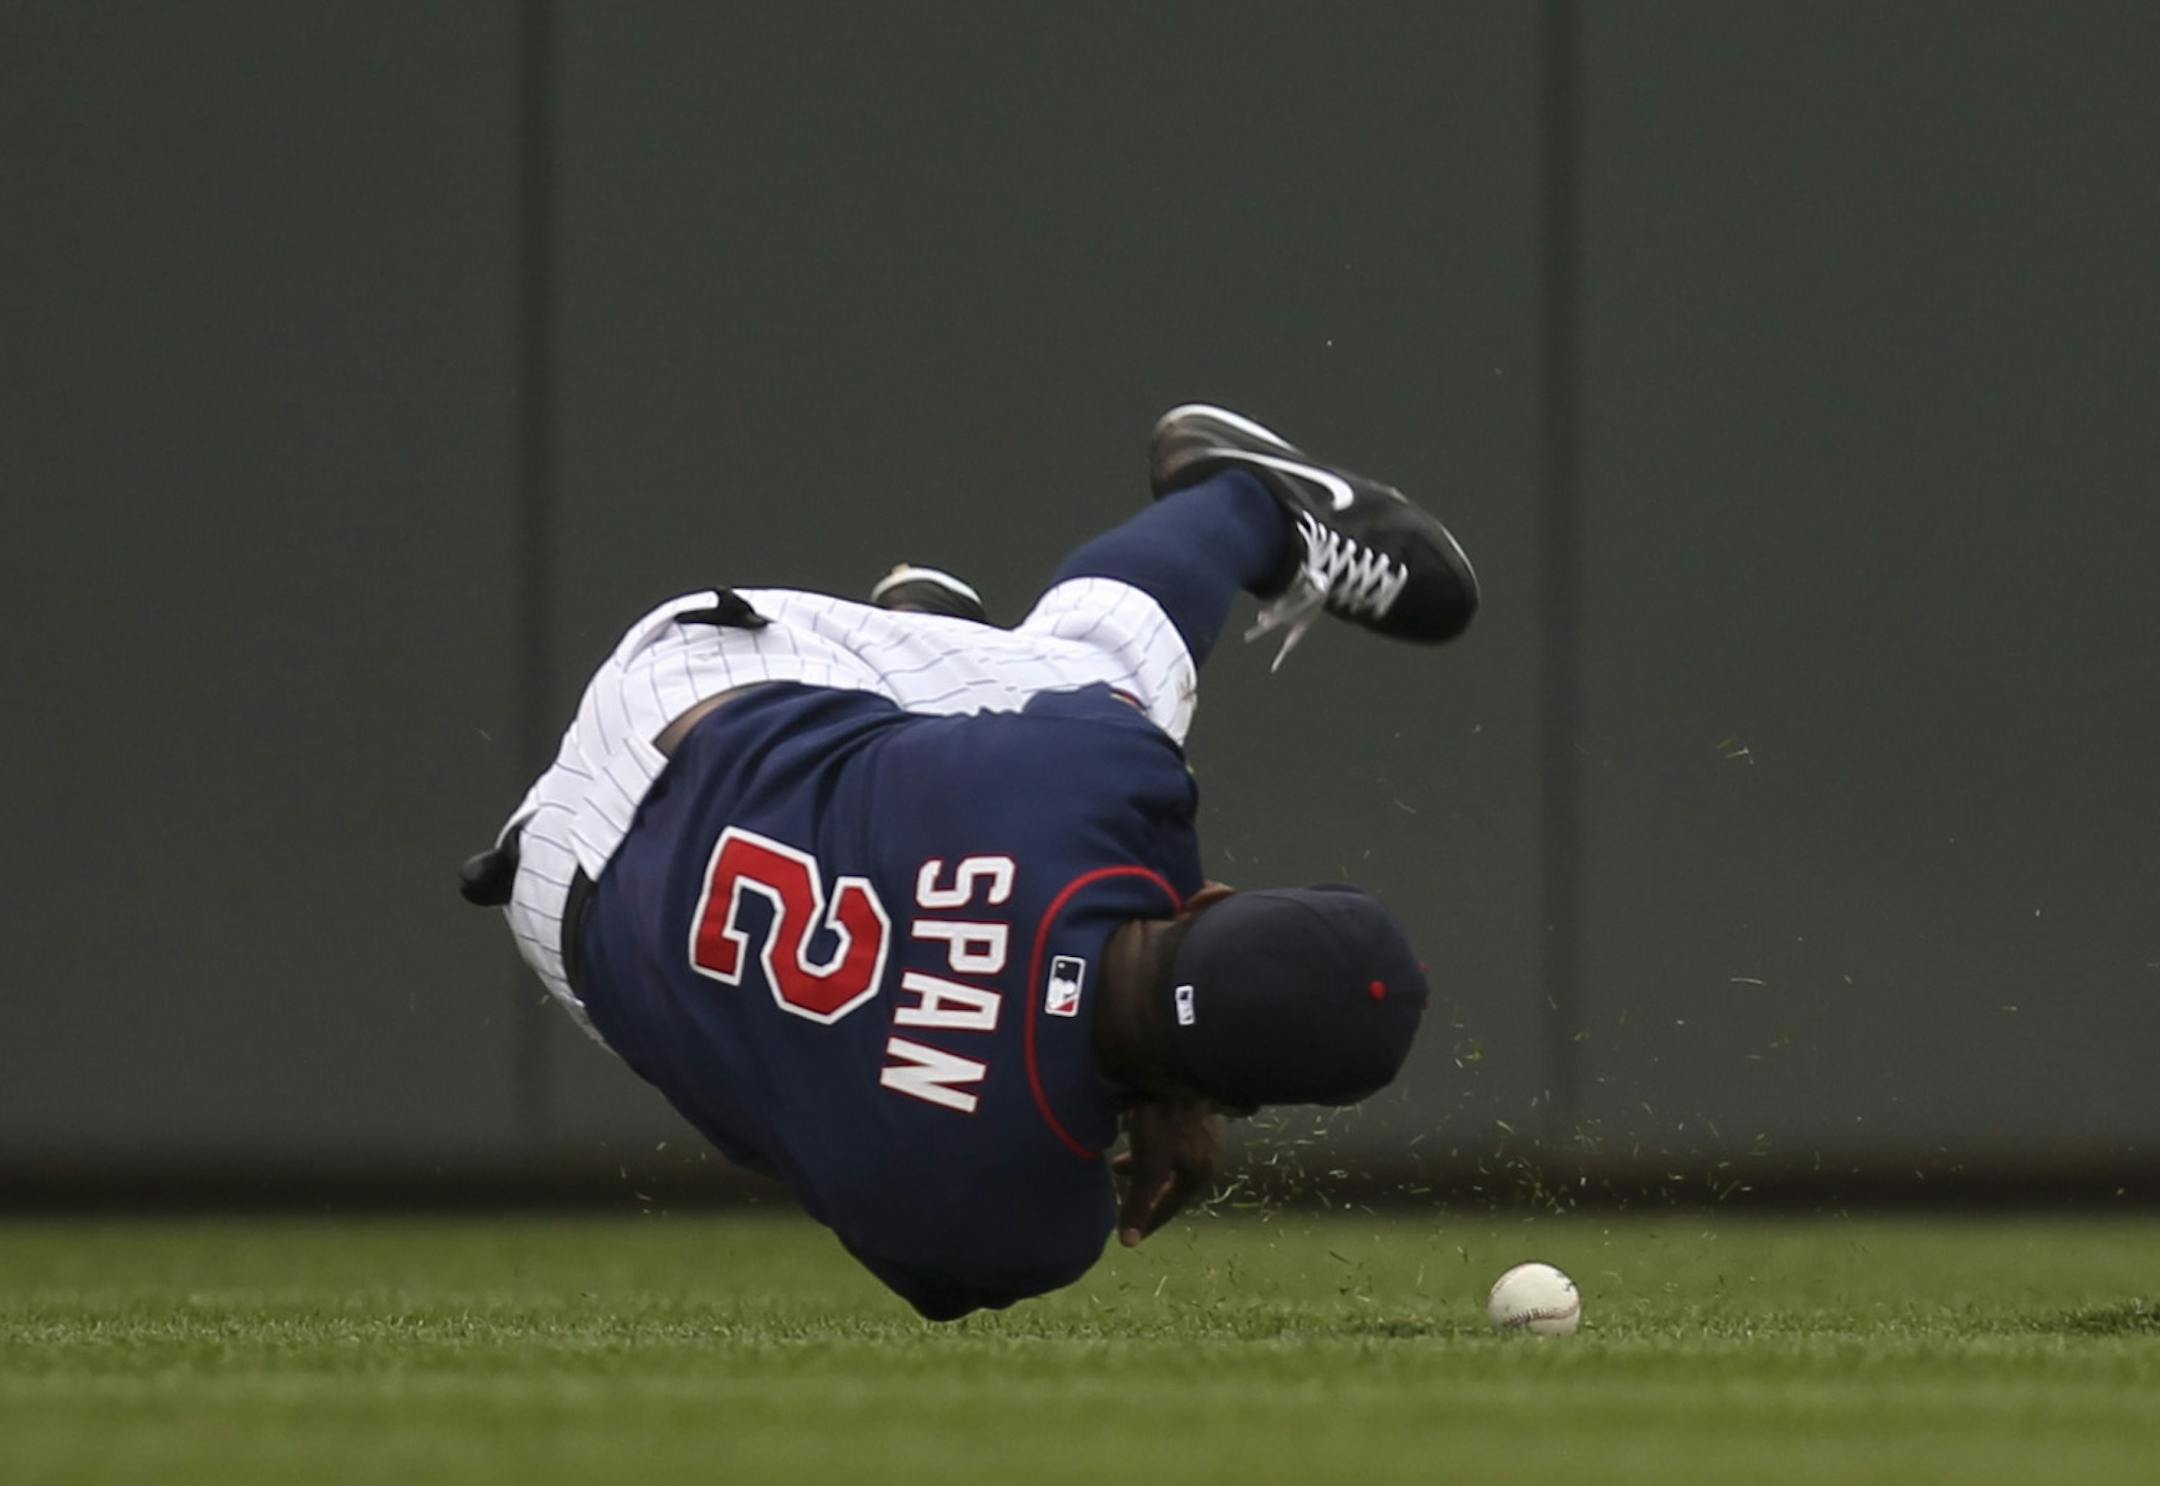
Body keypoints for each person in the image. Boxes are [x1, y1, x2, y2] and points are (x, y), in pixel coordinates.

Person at [460, 404, 1478, 1320]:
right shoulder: (1026, 1226)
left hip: (700, 689)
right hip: (562, 906)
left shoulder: (1097, 783)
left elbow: (1110, 832)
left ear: (1209, 898)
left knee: (1102, 684)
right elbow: (948, 1257)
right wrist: (1154, 1075)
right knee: (816, 1096)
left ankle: (1245, 508)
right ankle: (979, 624)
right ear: (1243, 1104)